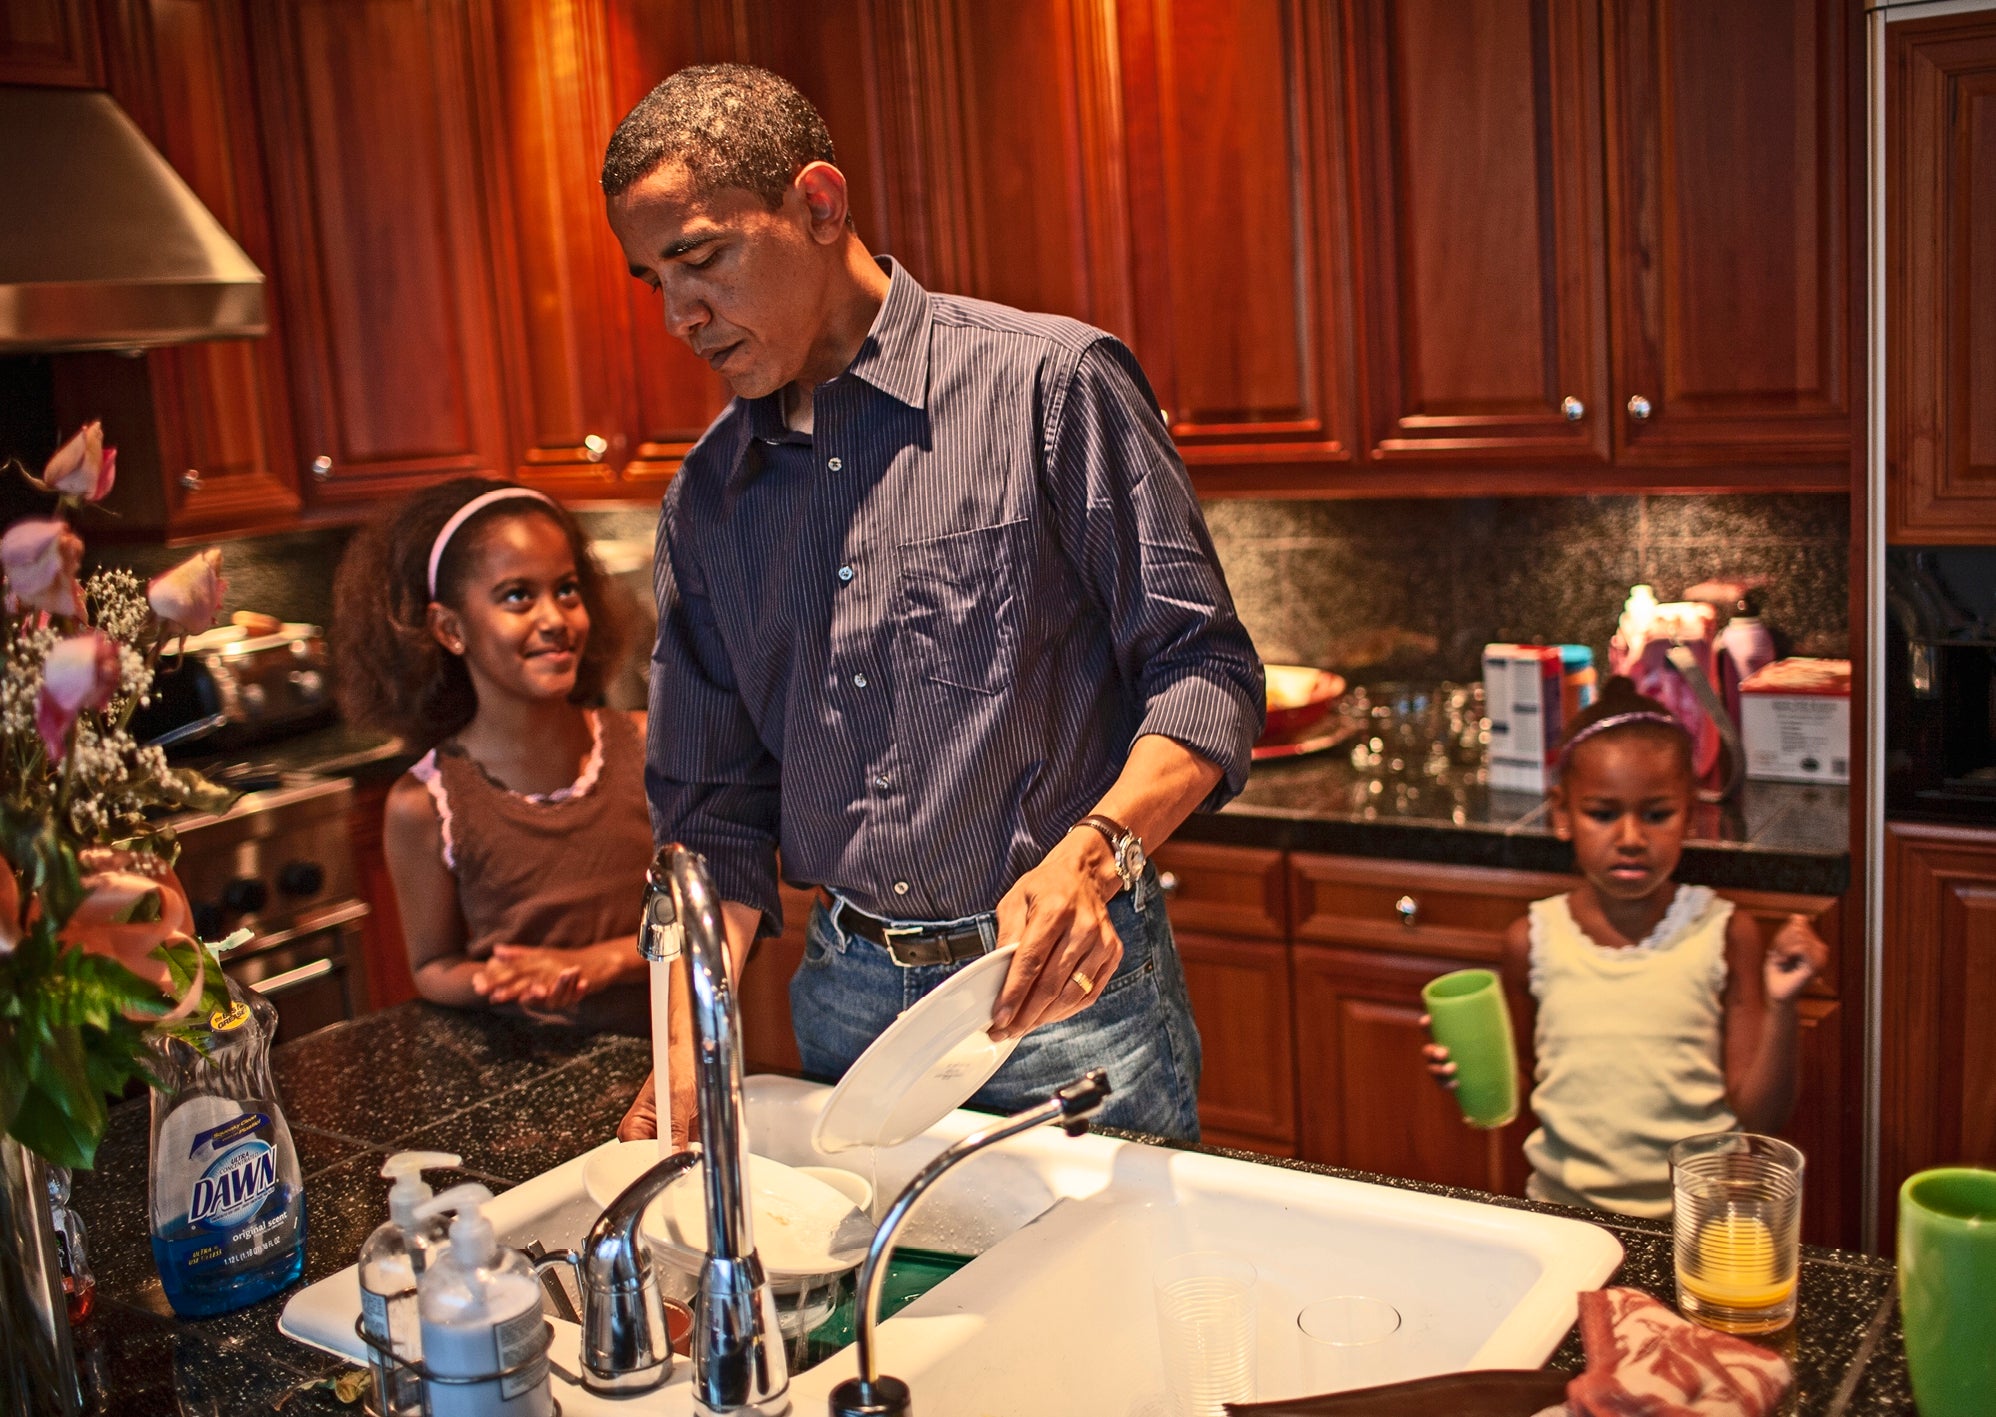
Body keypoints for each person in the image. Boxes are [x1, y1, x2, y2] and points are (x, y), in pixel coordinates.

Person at [600, 64, 1263, 1141]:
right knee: (888, 1314)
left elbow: (1204, 672)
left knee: (1104, 1306)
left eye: (700, 257)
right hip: (847, 1011)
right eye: (652, 281)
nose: (680, 314)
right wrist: (685, 1052)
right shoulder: (708, 500)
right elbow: (711, 812)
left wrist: (1093, 854)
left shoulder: (1050, 385)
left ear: (818, 204)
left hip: (1064, 997)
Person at [1422, 677, 1829, 1217]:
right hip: (1566, 1216)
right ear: (1562, 814)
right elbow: (1521, 1083)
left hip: (1699, 1222)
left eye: (1657, 814)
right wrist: (1468, 1072)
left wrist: (1782, 1004)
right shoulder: (1532, 940)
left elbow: (1761, 1115)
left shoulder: (1726, 933)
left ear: (1690, 813)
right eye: (1604, 813)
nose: (1632, 836)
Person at [332, 478, 656, 1036]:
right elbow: (432, 967)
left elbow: (721, 924)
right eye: (517, 596)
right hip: (525, 1084)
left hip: (672, 1075)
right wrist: (502, 979)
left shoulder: (653, 746)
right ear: (450, 629)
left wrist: (598, 963)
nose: (555, 618)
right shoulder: (424, 805)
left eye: (568, 590)